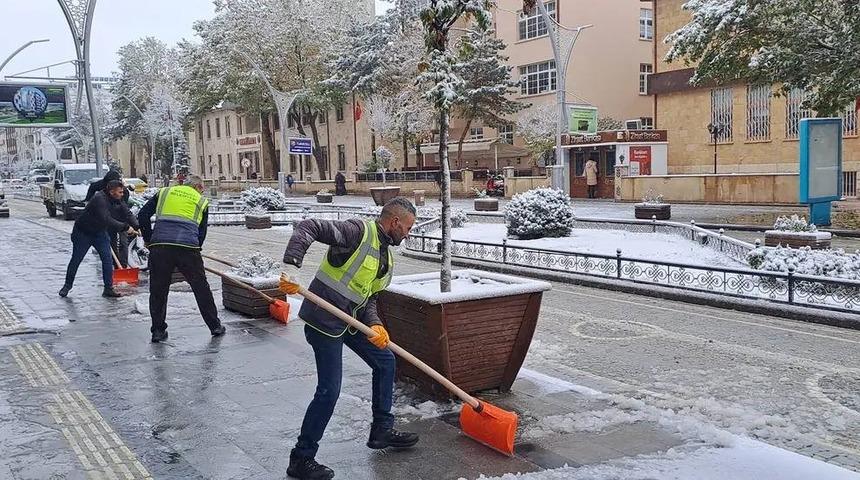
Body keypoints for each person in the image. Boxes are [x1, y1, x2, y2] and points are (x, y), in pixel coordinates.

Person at [279, 197, 419, 480]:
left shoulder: (385, 256)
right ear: (394, 222)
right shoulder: (357, 232)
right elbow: (309, 226)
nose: (408, 233)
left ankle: (381, 430)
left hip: (351, 321)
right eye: (407, 228)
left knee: (385, 361)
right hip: (323, 320)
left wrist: (376, 325)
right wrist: (291, 267)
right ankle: (301, 458)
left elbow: (368, 299)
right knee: (330, 390)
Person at [137, 175, 225, 343]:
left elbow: (142, 215)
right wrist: (195, 248)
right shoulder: (201, 201)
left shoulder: (164, 192)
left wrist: (150, 240)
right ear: (198, 187)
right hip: (188, 249)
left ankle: (158, 330)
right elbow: (202, 232)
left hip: (161, 246)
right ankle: (215, 326)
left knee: (158, 289)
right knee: (201, 288)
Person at [59, 180, 136, 298]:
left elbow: (126, 212)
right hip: (83, 233)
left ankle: (108, 289)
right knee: (76, 259)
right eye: (120, 192)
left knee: (107, 260)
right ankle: (67, 286)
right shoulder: (99, 199)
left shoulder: (116, 199)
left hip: (99, 233)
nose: (122, 194)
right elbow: (106, 219)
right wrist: (125, 227)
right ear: (111, 192)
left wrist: (137, 225)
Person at [86, 170, 137, 266]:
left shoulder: (123, 192)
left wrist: (135, 225)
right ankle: (116, 265)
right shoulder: (101, 189)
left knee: (123, 242)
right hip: (108, 219)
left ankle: (123, 265)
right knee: (111, 241)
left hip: (121, 217)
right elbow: (92, 188)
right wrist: (89, 201)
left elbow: (126, 210)